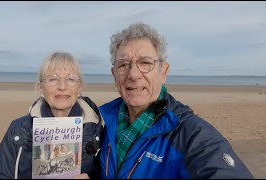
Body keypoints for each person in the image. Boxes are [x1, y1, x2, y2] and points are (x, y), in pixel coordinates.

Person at [98, 22, 253, 179]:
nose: (133, 74)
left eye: (145, 63)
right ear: (114, 75)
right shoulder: (101, 122)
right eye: (123, 65)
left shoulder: (190, 134)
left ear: (163, 72)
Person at [0, 52, 103, 179]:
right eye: (53, 79)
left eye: (71, 79)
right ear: (41, 88)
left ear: (79, 87)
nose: (62, 86)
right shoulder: (19, 129)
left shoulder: (97, 129)